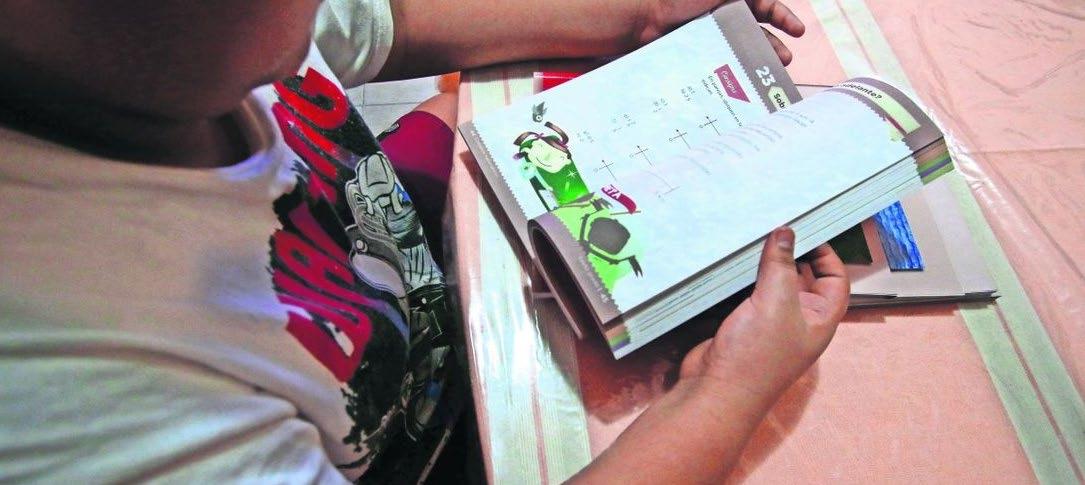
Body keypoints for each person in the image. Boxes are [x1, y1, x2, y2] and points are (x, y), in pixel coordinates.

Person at [0, 0, 844, 483]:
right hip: (427, 451)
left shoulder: (145, 53)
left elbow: (383, 22)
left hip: (392, 261)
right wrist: (722, 394)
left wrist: (639, 14)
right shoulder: (82, 401)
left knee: (476, 117)